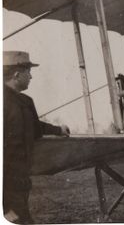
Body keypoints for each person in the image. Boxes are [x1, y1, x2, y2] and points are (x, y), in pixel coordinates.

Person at [3, 51, 70, 224]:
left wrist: (58, 130)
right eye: (28, 71)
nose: (31, 76)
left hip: (21, 177)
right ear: (17, 74)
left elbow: (36, 128)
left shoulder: (26, 101)